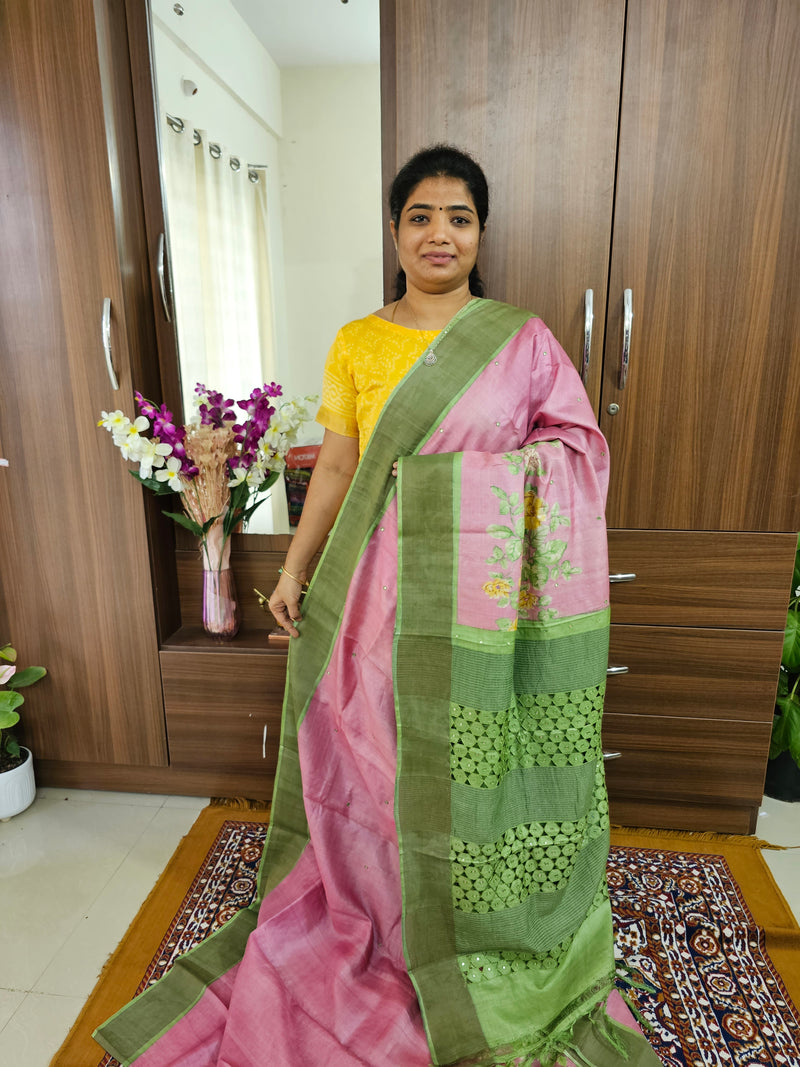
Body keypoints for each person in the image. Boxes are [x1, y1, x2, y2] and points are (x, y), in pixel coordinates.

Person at [96, 146, 660, 1066]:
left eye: (461, 217)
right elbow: (342, 467)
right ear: (396, 231)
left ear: (480, 234)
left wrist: (461, 485)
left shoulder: (521, 339)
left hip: (477, 608)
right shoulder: (358, 340)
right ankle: (384, 910)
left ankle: (455, 918)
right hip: (371, 593)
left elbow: (577, 452)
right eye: (422, 216)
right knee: (373, 760)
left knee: (452, 764)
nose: (441, 233)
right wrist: (292, 570)